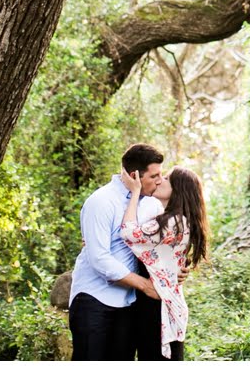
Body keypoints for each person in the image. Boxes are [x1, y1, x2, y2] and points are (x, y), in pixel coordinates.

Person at [68, 144, 166, 360]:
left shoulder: (152, 205)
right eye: (155, 175)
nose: (160, 180)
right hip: (93, 299)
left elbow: (164, 246)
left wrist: (180, 269)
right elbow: (99, 258)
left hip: (128, 303)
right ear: (135, 176)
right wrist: (145, 285)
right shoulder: (101, 201)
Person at [121, 165, 210, 361]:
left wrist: (135, 191)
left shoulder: (172, 222)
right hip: (166, 302)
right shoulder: (180, 221)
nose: (160, 180)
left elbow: (127, 232)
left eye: (167, 178)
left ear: (178, 189)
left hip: (159, 306)